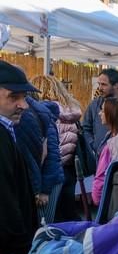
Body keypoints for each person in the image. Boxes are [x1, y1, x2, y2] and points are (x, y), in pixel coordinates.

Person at [0, 61, 38, 254]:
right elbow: (6, 202)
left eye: (24, 97)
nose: (23, 104)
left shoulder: (7, 132)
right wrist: (22, 251)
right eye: (14, 97)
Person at [31, 75, 83, 222]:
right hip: (69, 168)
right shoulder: (70, 111)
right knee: (68, 212)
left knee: (52, 218)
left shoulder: (46, 113)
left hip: (52, 171)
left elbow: (51, 147)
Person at [15, 93, 64, 225]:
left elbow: (53, 156)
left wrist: (44, 191)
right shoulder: (38, 116)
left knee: (43, 226)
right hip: (41, 179)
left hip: (48, 181)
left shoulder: (40, 119)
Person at [91, 97, 118, 205]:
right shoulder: (110, 135)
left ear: (111, 114)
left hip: (108, 199)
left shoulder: (111, 144)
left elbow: (101, 175)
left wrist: (96, 196)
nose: (100, 113)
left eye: (102, 110)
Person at [82, 68, 118, 156]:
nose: (99, 88)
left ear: (116, 85)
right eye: (99, 84)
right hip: (97, 157)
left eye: (104, 84)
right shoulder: (94, 105)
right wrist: (93, 145)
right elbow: (85, 128)